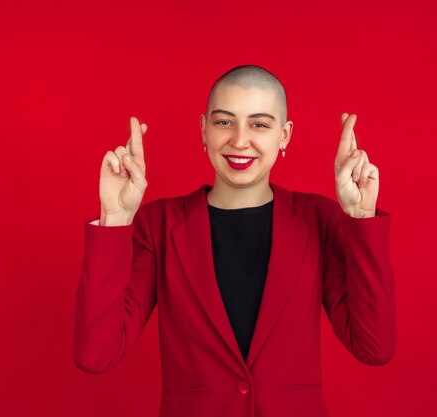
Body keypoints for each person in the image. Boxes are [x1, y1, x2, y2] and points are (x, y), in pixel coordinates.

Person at [73, 64, 396, 417]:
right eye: (224, 122)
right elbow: (96, 355)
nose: (240, 140)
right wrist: (115, 219)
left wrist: (361, 217)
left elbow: (374, 347)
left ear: (284, 135)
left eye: (259, 124)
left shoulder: (319, 220)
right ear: (203, 130)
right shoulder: (158, 225)